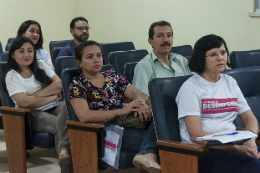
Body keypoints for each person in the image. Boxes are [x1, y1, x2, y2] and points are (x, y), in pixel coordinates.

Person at [68, 40, 161, 173]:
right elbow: (84, 116)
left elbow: (135, 92)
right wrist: (121, 111)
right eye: (90, 57)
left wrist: (140, 104)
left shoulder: (112, 76)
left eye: (99, 55)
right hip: (106, 131)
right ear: (79, 62)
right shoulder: (78, 84)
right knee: (164, 140)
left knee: (162, 119)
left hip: (128, 124)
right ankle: (147, 152)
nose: (96, 60)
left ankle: (147, 154)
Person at [176, 34, 260, 173]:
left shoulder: (230, 82)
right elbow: (196, 135)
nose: (220, 57)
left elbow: (250, 119)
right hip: (203, 151)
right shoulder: (190, 88)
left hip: (234, 144)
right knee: (253, 166)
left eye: (223, 52)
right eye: (213, 54)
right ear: (201, 59)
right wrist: (236, 149)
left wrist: (250, 139)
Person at [3, 36, 72, 173]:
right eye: (21, 51)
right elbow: (24, 102)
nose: (26, 55)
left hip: (54, 106)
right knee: (63, 127)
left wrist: (35, 95)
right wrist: (51, 98)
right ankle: (67, 168)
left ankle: (64, 151)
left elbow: (59, 85)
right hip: (31, 114)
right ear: (13, 54)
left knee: (69, 106)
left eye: (30, 50)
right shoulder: (12, 75)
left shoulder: (40, 65)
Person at [131, 20, 192, 173]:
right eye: (160, 36)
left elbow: (193, 86)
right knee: (167, 109)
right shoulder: (144, 66)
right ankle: (147, 153)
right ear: (150, 41)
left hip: (185, 109)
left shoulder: (181, 60)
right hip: (159, 111)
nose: (166, 40)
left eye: (169, 35)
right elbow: (141, 98)